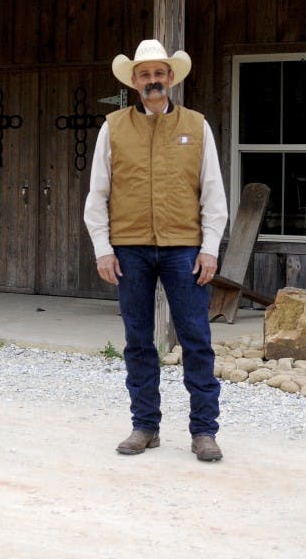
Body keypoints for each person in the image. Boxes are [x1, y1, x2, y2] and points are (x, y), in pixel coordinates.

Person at [84, 39, 228, 461]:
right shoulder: (113, 127)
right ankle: (145, 425)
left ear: (171, 79)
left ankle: (204, 431)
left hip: (185, 248)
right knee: (138, 341)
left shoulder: (198, 126)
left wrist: (210, 248)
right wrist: (102, 249)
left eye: (159, 74)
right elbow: (97, 193)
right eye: (144, 74)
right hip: (128, 249)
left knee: (196, 339)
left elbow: (213, 193)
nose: (152, 81)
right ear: (134, 81)